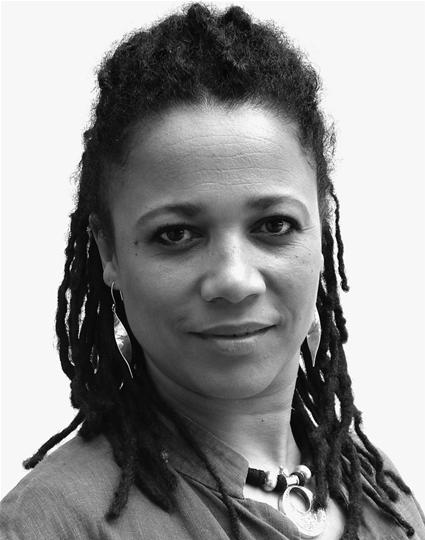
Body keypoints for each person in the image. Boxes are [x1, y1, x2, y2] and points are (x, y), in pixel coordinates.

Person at [1, 2, 424, 539]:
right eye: (176, 234)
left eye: (273, 225)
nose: (233, 280)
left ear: (324, 230)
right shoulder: (52, 523)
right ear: (109, 252)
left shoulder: (381, 494)